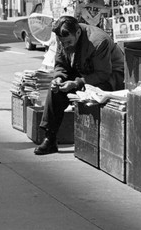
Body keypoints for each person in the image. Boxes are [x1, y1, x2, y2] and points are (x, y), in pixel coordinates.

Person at [35, 15, 125, 155]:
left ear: (77, 33)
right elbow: (61, 64)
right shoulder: (63, 38)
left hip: (110, 76)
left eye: (68, 42)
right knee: (55, 91)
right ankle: (50, 138)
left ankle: (95, 141)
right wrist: (59, 78)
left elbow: (103, 74)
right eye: (62, 42)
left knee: (92, 91)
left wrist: (77, 83)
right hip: (83, 71)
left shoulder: (97, 41)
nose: (65, 46)